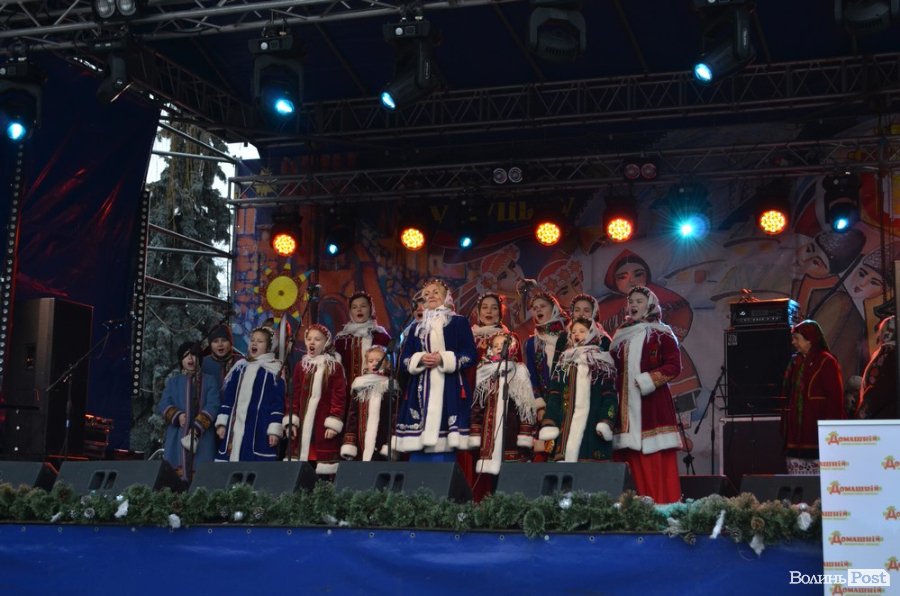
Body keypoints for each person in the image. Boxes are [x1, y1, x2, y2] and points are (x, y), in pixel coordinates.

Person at [610, 286, 683, 504]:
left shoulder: (661, 333)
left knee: (655, 459)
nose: (633, 305)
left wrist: (647, 381)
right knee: (630, 460)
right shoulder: (620, 336)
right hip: (625, 408)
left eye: (639, 301)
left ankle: (663, 506)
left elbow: (674, 366)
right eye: (631, 301)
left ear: (650, 305)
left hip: (652, 406)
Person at [395, 278, 477, 459]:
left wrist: (443, 359)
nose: (430, 296)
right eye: (426, 294)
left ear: (446, 296)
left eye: (435, 292)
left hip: (450, 387)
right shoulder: (416, 327)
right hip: (420, 389)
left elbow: (470, 355)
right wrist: (420, 359)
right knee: (418, 454)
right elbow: (404, 360)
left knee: (445, 452)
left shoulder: (458, 322)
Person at [540, 318, 618, 462]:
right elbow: (554, 395)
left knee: (589, 469)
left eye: (582, 331)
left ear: (592, 333)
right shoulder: (564, 362)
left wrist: (606, 421)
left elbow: (610, 396)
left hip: (592, 427)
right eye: (574, 331)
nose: (577, 334)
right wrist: (550, 422)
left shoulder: (602, 363)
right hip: (566, 427)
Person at [780, 319, 845, 474]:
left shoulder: (826, 361)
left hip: (816, 434)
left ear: (810, 339)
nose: (793, 342)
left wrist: (831, 431)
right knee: (797, 480)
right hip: (796, 434)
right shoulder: (796, 362)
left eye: (797, 338)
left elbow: (835, 399)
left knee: (818, 481)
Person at [470, 332, 536, 478]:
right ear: (490, 350)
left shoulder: (519, 371)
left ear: (512, 347)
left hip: (512, 429)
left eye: (504, 344)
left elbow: (526, 407)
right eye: (495, 346)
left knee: (512, 474)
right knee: (491, 477)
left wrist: (525, 434)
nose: (500, 348)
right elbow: (477, 406)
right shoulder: (483, 372)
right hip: (490, 430)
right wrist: (475, 432)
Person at [285, 324, 348, 475]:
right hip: (301, 426)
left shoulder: (334, 367)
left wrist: (333, 423)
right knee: (300, 465)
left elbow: (339, 397)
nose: (312, 342)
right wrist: (291, 420)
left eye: (317, 339)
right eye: (309, 339)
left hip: (322, 426)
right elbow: (293, 395)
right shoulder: (301, 366)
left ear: (326, 343)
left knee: (321, 465)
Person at [215, 327, 284, 461]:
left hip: (260, 426)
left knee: (254, 463)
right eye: (252, 340)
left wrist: (274, 430)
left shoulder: (274, 371)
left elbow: (277, 404)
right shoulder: (240, 367)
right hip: (235, 426)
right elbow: (228, 398)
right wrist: (222, 423)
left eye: (260, 341)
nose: (254, 343)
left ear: (268, 347)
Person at [159, 341, 220, 481]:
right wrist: (178, 416)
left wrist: (198, 426)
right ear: (181, 360)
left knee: (201, 478)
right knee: (174, 478)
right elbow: (164, 404)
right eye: (186, 356)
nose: (190, 358)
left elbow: (213, 405)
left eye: (193, 354)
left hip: (202, 436)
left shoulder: (209, 381)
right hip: (177, 435)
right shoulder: (174, 382)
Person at [523, 288, 569, 460]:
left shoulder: (569, 336)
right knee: (547, 449)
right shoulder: (532, 343)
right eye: (535, 308)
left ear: (554, 308)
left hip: (568, 399)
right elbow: (532, 376)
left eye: (543, 306)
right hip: (547, 402)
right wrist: (540, 406)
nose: (538, 310)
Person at [341, 345, 397, 461]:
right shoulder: (359, 385)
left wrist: (390, 442)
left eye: (378, 360)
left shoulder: (390, 386)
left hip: (381, 439)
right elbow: (352, 415)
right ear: (366, 364)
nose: (374, 363)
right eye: (371, 361)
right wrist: (350, 442)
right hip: (361, 440)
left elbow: (394, 416)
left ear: (387, 363)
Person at [334, 291, 391, 388]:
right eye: (354, 307)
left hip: (375, 389)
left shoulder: (381, 336)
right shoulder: (341, 339)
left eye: (363, 306)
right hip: (346, 391)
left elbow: (389, 367)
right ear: (350, 311)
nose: (359, 310)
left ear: (370, 309)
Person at [856, 316, 897, 419]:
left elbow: (876, 387)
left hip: (882, 419)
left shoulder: (887, 355)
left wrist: (862, 416)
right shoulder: (888, 354)